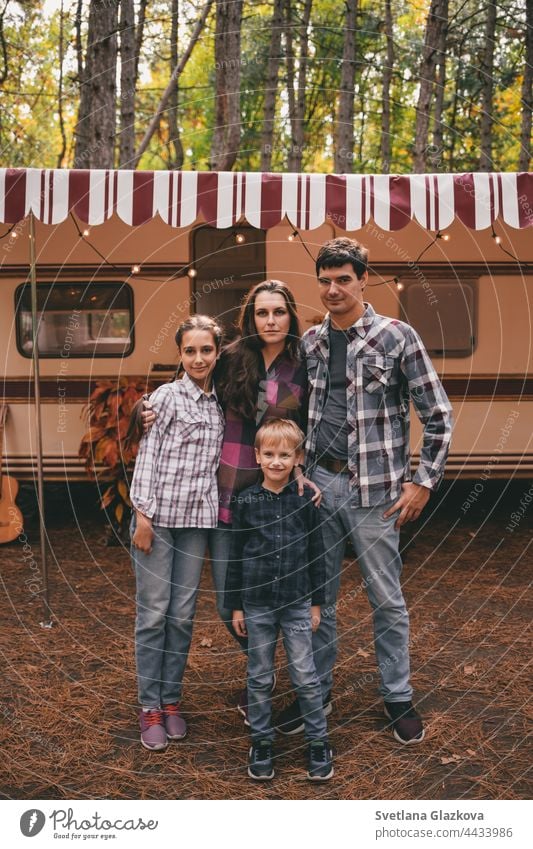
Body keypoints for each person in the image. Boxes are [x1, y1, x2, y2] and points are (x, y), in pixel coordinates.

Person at [275, 237, 453, 745]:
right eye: (325, 280)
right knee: (319, 599)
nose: (333, 289)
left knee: (386, 599)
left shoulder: (397, 337)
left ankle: (397, 697)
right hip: (318, 484)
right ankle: (318, 691)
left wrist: (423, 481)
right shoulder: (309, 344)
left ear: (363, 279)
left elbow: (437, 413)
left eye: (343, 280)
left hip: (376, 491)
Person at [141, 281, 318, 722]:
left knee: (280, 589)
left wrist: (302, 468)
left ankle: (284, 672)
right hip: (219, 501)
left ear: (291, 316)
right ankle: (263, 665)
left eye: (279, 312)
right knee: (228, 603)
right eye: (262, 313)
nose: (271, 320)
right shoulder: (231, 359)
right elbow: (188, 384)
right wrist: (142, 407)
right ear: (251, 318)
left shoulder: (303, 368)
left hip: (271, 500)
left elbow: (311, 425)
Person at [130, 315, 224, 751]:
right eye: (190, 350)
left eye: (206, 350)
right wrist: (143, 517)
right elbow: (146, 456)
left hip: (197, 524)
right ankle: (148, 705)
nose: (199, 358)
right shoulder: (166, 397)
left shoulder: (220, 403)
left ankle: (171, 701)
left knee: (182, 617)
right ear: (180, 354)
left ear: (217, 353)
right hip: (159, 520)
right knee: (153, 614)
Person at [225, 418, 333, 781]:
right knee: (259, 675)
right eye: (268, 454)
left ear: (297, 457)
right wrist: (236, 604)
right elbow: (236, 556)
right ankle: (262, 741)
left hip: (297, 602)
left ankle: (318, 742)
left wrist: (317, 602)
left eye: (284, 455)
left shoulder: (306, 501)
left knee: (304, 674)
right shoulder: (246, 502)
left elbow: (317, 554)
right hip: (256, 602)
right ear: (256, 456)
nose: (276, 461)